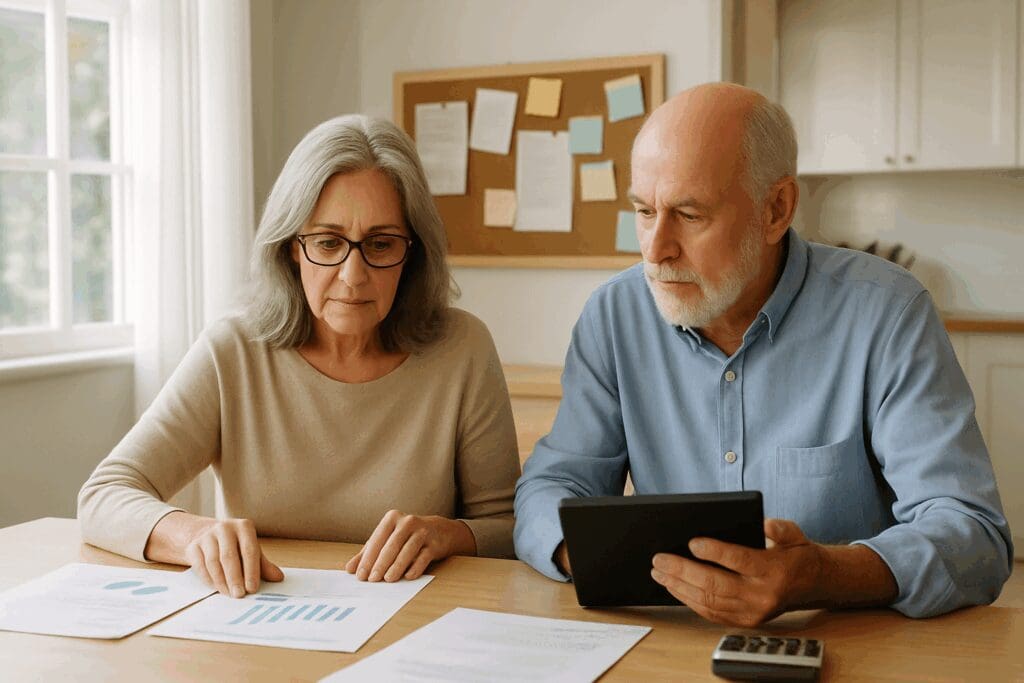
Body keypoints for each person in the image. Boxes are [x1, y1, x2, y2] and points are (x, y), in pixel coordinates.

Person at [513, 82, 1012, 626]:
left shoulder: (887, 313)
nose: (655, 250)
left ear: (776, 209)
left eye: (689, 214)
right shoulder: (614, 317)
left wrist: (825, 574)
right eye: (643, 210)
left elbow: (973, 534)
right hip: (668, 644)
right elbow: (551, 488)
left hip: (851, 645)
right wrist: (595, 555)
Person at [79, 115, 521, 598]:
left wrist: (448, 534)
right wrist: (193, 536)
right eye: (328, 243)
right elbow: (104, 495)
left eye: (381, 244)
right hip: (264, 627)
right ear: (292, 247)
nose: (353, 276)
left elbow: (509, 527)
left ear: (413, 252)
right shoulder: (234, 350)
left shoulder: (463, 349)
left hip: (419, 626)